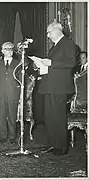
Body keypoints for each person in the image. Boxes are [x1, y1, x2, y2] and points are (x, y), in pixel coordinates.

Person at [34, 21, 76, 156]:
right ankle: (54, 144)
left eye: (49, 32)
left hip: (59, 87)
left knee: (58, 117)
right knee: (50, 117)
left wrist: (51, 62)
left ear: (57, 30)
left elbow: (71, 62)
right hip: (50, 86)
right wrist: (40, 65)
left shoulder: (68, 44)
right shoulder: (55, 47)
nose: (47, 35)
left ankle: (62, 147)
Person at [0, 42, 21, 144]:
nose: (9, 51)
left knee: (12, 116)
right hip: (0, 93)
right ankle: (3, 136)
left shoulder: (18, 63)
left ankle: (12, 136)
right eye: (6, 49)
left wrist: (21, 94)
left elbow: (21, 79)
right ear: (2, 51)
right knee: (2, 115)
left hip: (13, 93)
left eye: (11, 49)